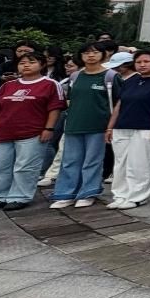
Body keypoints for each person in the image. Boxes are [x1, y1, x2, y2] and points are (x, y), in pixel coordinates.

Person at [0, 52, 64, 211]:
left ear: (42, 64)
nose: (26, 65)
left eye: (31, 62)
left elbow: (55, 108)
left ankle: (20, 196)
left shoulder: (50, 84)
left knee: (25, 166)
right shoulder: (8, 85)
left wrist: (49, 128)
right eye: (22, 63)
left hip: (32, 132)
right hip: (2, 131)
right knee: (0, 166)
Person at [50, 43, 118, 210]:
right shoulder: (75, 76)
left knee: (92, 161)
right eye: (86, 53)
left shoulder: (111, 76)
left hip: (98, 126)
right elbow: (70, 99)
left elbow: (118, 103)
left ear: (103, 55)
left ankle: (88, 193)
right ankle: (66, 193)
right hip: (74, 124)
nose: (91, 56)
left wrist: (110, 127)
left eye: (95, 52)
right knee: (69, 160)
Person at [105, 50, 150, 210]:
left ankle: (137, 196)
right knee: (120, 164)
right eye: (138, 62)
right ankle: (120, 195)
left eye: (146, 61)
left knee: (140, 164)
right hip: (122, 126)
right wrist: (110, 127)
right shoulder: (130, 80)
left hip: (147, 127)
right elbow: (119, 105)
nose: (142, 65)